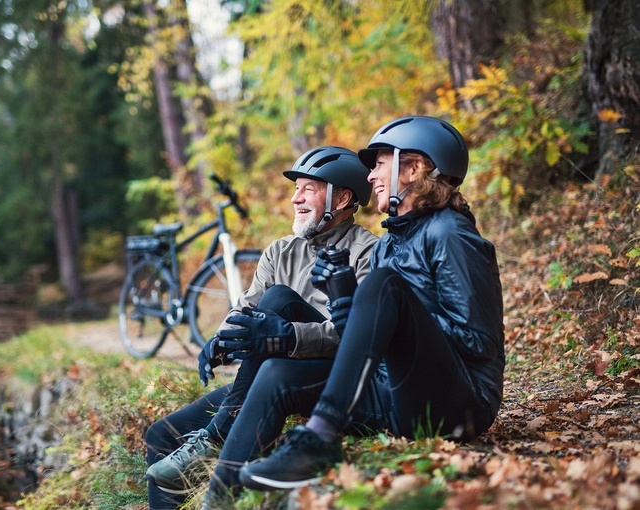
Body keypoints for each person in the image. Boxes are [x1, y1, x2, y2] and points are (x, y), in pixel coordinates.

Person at [237, 116, 505, 491]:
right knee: (277, 375)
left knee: (384, 285)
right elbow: (367, 348)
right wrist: (347, 302)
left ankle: (321, 437)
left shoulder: (450, 233)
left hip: (462, 405)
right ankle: (218, 493)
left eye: (380, 164)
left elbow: (479, 341)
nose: (370, 176)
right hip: (396, 396)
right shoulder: (388, 245)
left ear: (413, 168)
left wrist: (397, 310)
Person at [144, 146, 378, 509]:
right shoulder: (279, 251)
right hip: (269, 371)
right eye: (295, 189)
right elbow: (246, 307)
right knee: (160, 435)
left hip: (324, 374)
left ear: (344, 197)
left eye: (308, 189)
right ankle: (210, 438)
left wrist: (286, 337)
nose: (295, 198)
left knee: (280, 300)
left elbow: (356, 334)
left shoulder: (368, 252)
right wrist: (222, 340)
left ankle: (216, 435)